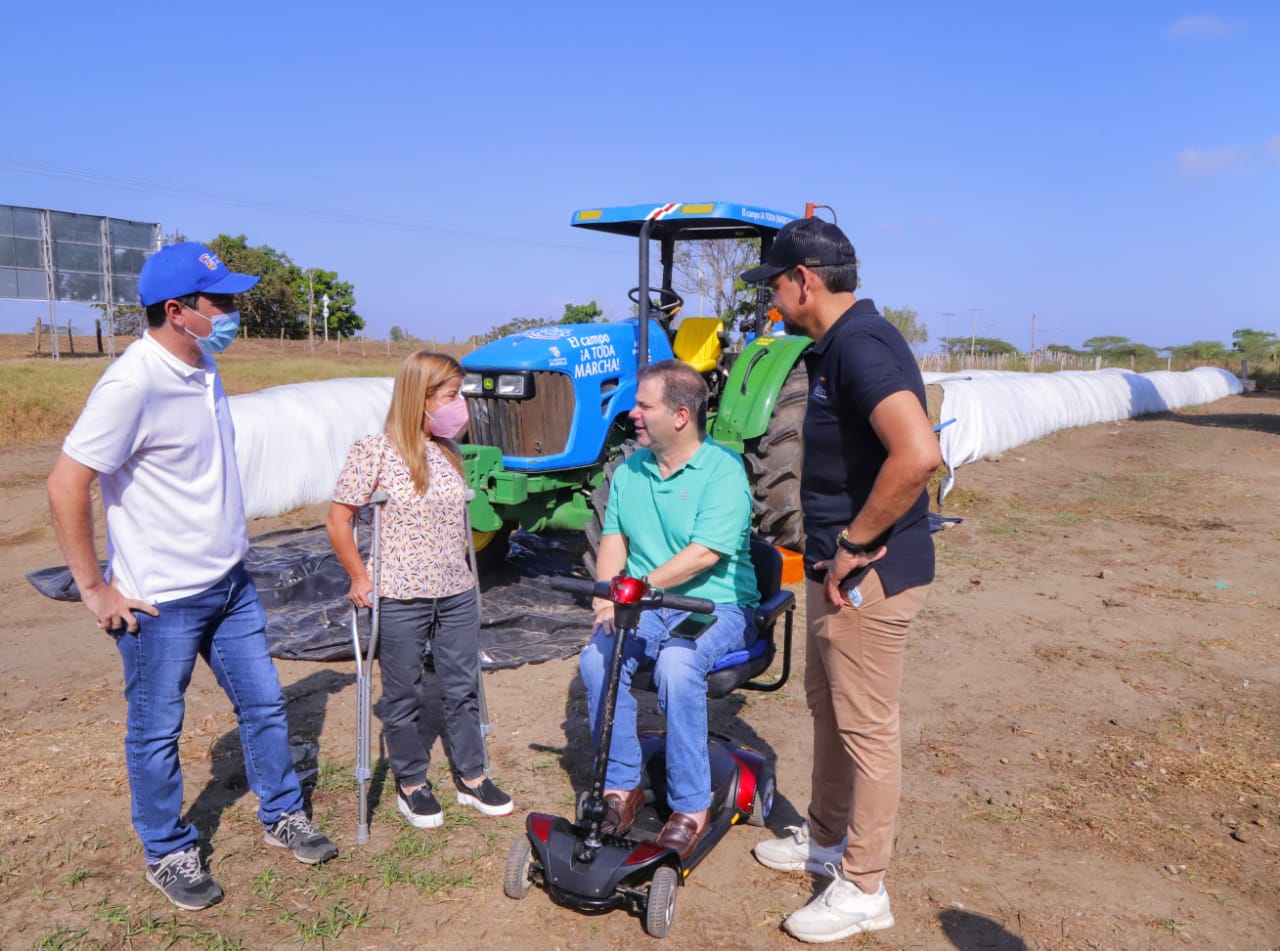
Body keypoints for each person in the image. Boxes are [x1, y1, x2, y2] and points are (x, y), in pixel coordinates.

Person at [45, 243, 338, 913]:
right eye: (222, 302)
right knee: (156, 730)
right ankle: (167, 848)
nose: (233, 312)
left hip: (230, 585)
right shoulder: (132, 383)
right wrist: (95, 588)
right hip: (160, 602)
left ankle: (282, 813)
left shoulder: (203, 364)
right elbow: (67, 483)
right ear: (177, 311)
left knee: (264, 704)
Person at [742, 218, 941, 943]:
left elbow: (917, 454)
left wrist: (858, 541)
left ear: (806, 280)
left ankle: (863, 886)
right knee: (829, 710)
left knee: (866, 731)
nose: (774, 300)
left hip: (869, 577)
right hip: (833, 573)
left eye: (777, 285)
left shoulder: (861, 345)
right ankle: (825, 839)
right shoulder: (831, 347)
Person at [577, 359, 759, 861]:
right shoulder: (631, 470)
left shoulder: (722, 471)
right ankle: (621, 786)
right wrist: (605, 597)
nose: (632, 412)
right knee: (596, 657)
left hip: (713, 603)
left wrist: (636, 588)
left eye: (643, 404)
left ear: (680, 416)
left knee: (679, 664)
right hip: (647, 601)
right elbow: (615, 538)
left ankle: (691, 806)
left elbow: (705, 554)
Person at [326, 350, 512, 831]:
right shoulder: (374, 450)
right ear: (421, 396)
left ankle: (471, 775)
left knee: (461, 685)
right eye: (451, 396)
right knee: (404, 692)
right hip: (401, 592)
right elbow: (339, 519)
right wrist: (359, 577)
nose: (459, 405)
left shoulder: (448, 450)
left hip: (456, 589)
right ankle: (412, 783)